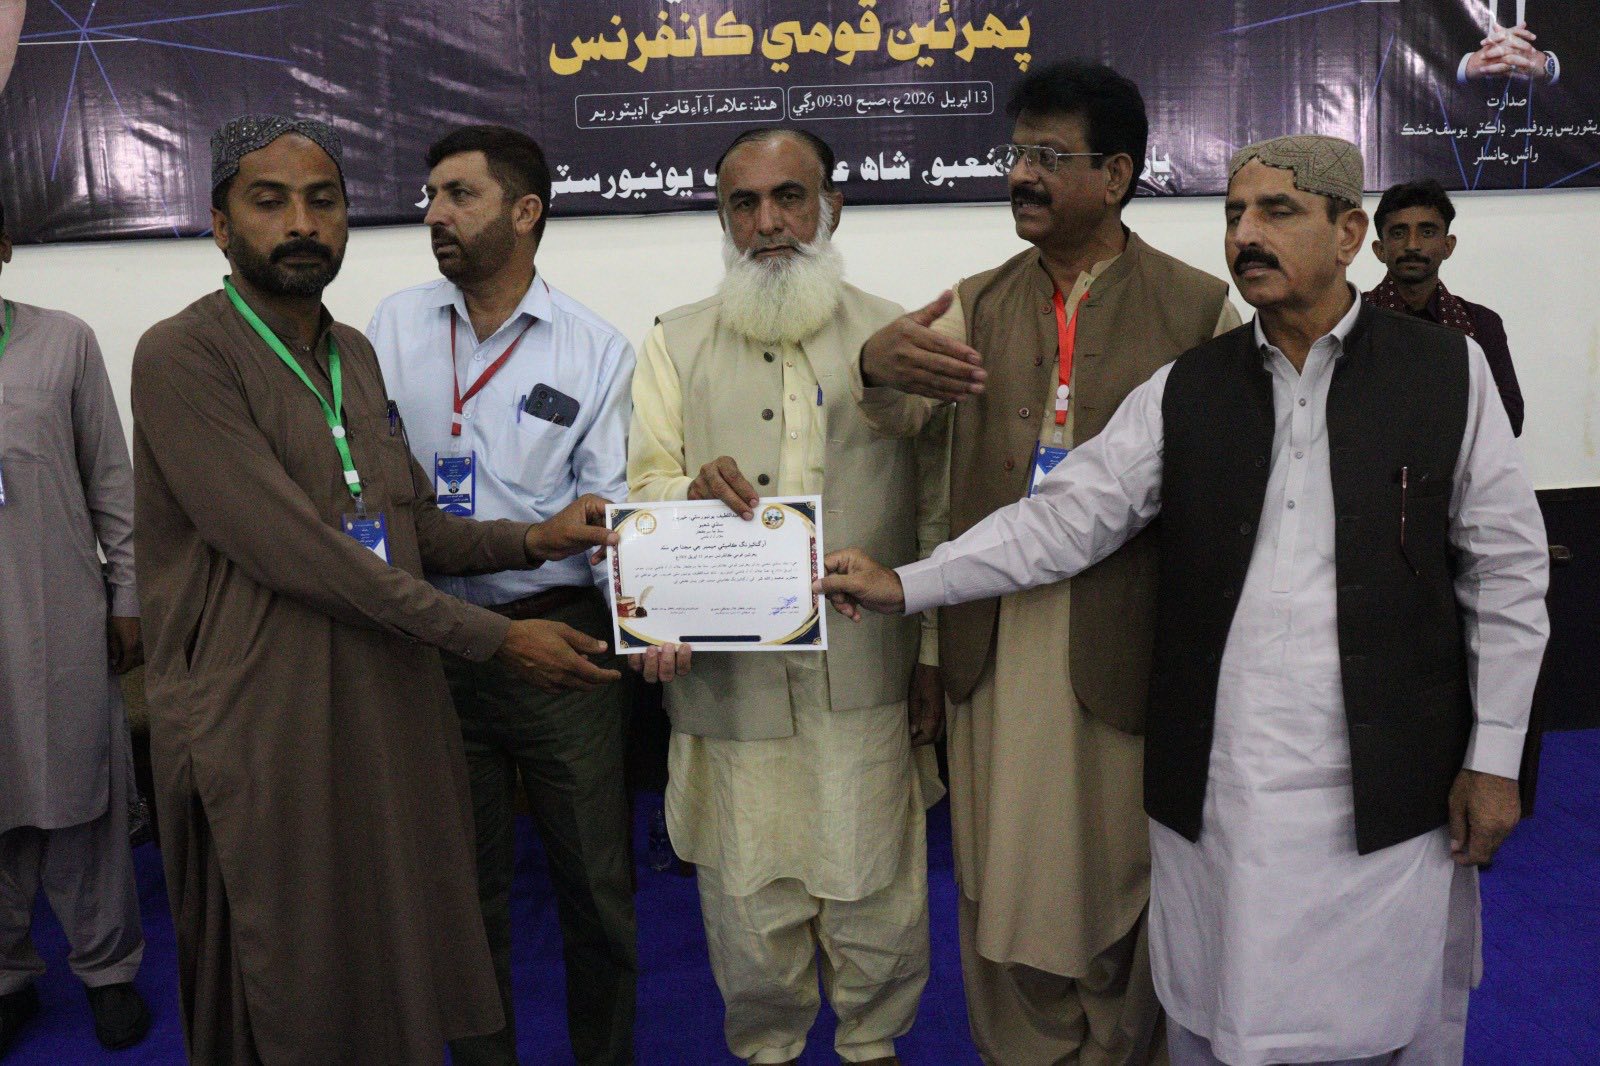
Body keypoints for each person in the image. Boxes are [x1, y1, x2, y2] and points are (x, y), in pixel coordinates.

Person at [819, 134, 1549, 1066]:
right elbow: (1064, 521)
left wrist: (1494, 760)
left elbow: (1507, 573)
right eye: (1234, 214)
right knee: (1220, 1005)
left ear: (1348, 234)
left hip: (1390, 776)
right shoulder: (1189, 387)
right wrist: (907, 584)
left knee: (1385, 1017)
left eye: (1277, 211)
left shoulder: (1447, 373)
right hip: (1224, 779)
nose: (1245, 234)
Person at [130, 115, 621, 1065]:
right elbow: (296, 552)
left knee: (389, 941)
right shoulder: (183, 354)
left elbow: (410, 523)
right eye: (269, 202)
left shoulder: (352, 352)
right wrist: (494, 638)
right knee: (286, 956)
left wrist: (534, 536)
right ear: (221, 225)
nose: (301, 223)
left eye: (323, 201)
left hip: (380, 699)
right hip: (260, 711)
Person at [856, 60, 1237, 1064]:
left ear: (1115, 175)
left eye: (1049, 157)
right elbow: (897, 424)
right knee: (1003, 867)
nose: (1021, 175)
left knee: (1122, 866)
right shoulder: (975, 302)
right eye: (1017, 153)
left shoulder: (1199, 312)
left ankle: (1123, 1044)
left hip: (1128, 645)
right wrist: (872, 367)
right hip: (994, 639)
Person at [628, 126, 947, 1066]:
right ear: (724, 218)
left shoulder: (900, 335)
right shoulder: (674, 340)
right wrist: (689, 494)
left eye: (789, 198)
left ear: (831, 207)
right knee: (748, 909)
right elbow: (643, 489)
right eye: (744, 203)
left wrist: (932, 656)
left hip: (866, 680)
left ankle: (873, 1046)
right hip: (734, 687)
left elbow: (936, 510)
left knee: (876, 900)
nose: (767, 223)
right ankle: (768, 1050)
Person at [367, 124, 637, 1066]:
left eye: (459, 195)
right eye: (431, 195)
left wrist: (646, 627)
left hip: (556, 642)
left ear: (525, 213)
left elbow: (608, 517)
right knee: (458, 890)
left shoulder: (596, 351)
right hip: (428, 639)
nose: (434, 214)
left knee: (595, 885)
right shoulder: (388, 329)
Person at [0, 197, 150, 1055]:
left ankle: (108, 969)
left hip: (56, 616)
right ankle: (7, 977)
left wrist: (128, 596)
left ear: (4, 245)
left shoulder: (63, 341)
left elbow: (112, 484)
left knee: (82, 794)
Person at [1364, 178, 1524, 436]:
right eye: (1398, 233)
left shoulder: (1481, 323)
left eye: (1427, 232)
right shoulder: (1353, 318)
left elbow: (1510, 419)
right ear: (1380, 249)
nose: (1412, 245)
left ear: (1447, 246)